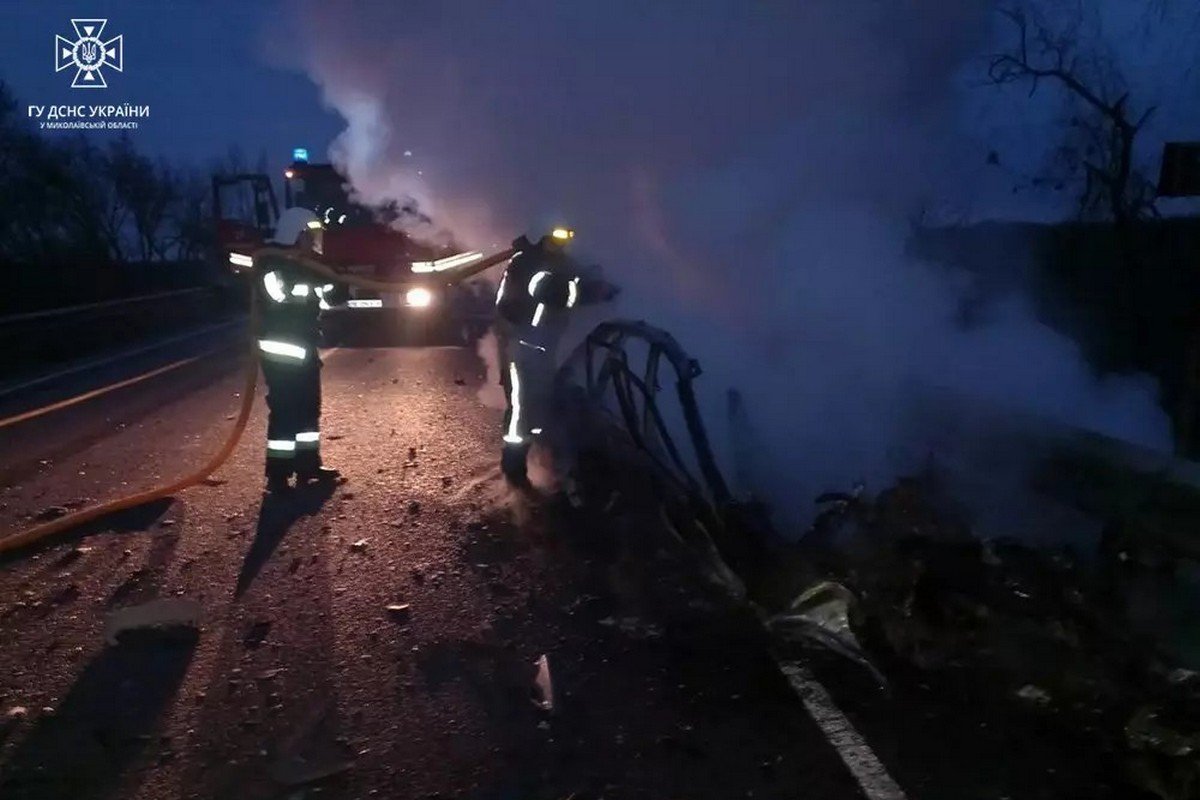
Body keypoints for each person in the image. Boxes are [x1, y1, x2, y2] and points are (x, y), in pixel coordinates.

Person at [494, 227, 612, 492]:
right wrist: (598, 292)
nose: (561, 245)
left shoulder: (545, 262)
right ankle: (514, 466)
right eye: (556, 239)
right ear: (540, 237)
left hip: (537, 346)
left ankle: (548, 460)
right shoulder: (530, 265)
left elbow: (571, 279)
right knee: (524, 408)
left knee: (540, 402)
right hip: (524, 346)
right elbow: (559, 292)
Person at [256, 207, 340, 492]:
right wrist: (314, 278)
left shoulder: (310, 265)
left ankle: (308, 466)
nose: (313, 241)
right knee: (285, 412)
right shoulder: (272, 263)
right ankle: (278, 476)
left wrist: (334, 279)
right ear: (296, 234)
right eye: (309, 235)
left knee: (309, 409)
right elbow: (280, 295)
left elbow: (332, 297)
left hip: (304, 350)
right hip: (281, 352)